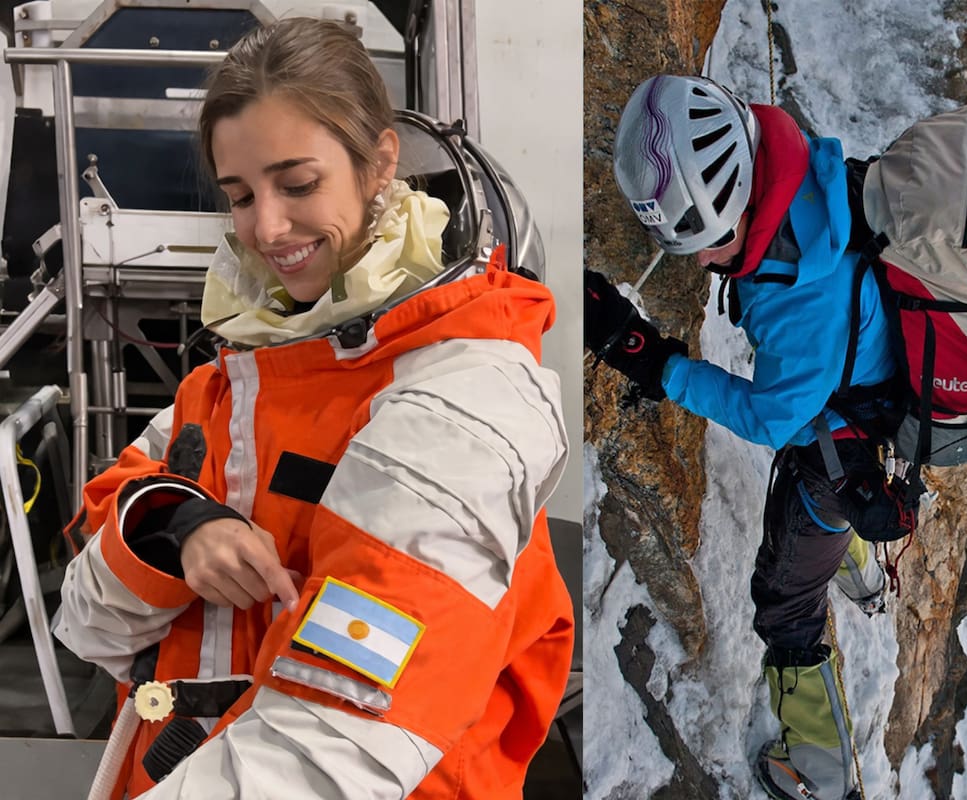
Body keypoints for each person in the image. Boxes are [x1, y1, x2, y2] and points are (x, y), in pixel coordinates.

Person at [53, 18, 572, 799]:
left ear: (379, 165)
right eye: (240, 195)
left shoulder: (464, 395)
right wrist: (175, 524)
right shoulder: (232, 377)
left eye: (298, 185)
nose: (266, 227)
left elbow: (335, 745)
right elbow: (87, 623)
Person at [584, 74, 899, 800]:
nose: (696, 262)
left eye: (702, 240)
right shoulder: (798, 184)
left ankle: (821, 765)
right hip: (863, 390)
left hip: (837, 428)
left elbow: (774, 420)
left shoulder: (799, 297)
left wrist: (656, 362)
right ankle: (861, 571)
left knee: (784, 602)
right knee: (840, 486)